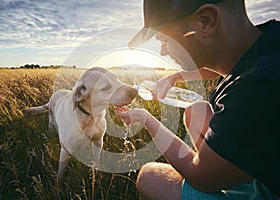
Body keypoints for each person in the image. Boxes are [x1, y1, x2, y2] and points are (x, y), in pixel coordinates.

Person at [118, 0, 280, 199]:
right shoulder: (268, 41)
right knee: (196, 111)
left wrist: (146, 119)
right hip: (267, 169)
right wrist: (175, 77)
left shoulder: (258, 89)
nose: (163, 51)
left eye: (165, 40)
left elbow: (201, 177)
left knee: (149, 177)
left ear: (205, 21)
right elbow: (223, 62)